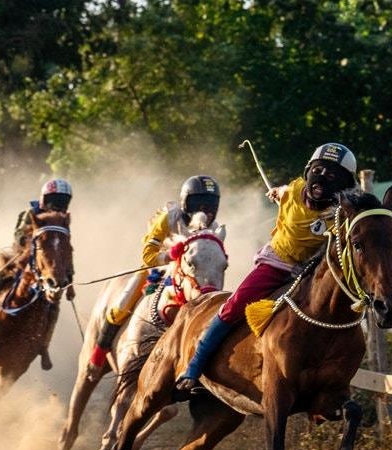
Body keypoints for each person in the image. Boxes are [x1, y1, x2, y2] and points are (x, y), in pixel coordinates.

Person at [176, 144, 356, 395]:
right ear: (308, 172)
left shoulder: (339, 214)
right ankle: (194, 366)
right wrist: (276, 192)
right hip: (276, 264)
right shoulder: (294, 190)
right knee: (234, 306)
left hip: (308, 272)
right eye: (318, 170)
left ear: (344, 184)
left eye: (332, 176)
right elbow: (283, 191)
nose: (322, 179)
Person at [89, 174, 221, 368]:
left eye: (210, 205)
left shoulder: (214, 229)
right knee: (121, 304)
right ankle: (100, 351)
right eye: (199, 203)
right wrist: (170, 256)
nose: (204, 210)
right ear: (186, 202)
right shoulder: (169, 216)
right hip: (158, 268)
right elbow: (147, 255)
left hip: (189, 277)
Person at [0, 178, 73, 342]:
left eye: (62, 200)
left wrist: (69, 277)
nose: (57, 203)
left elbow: (66, 249)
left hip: (46, 267)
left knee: (54, 303)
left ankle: (44, 344)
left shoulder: (62, 220)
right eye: (55, 199)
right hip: (21, 258)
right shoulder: (30, 213)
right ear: (45, 199)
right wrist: (34, 241)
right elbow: (19, 235)